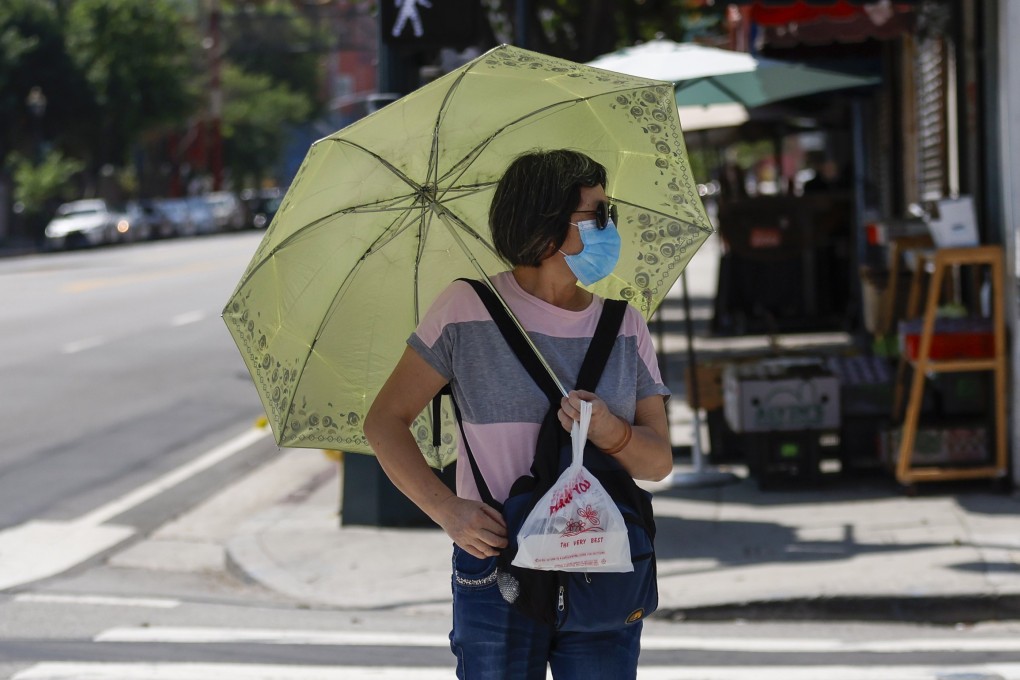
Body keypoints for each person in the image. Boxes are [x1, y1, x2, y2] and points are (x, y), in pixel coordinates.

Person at [363, 149, 673, 680]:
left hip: (603, 560)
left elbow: (658, 462)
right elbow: (384, 421)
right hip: (498, 561)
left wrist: (613, 433)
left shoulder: (626, 326)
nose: (609, 227)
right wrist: (446, 510)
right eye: (597, 215)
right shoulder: (466, 309)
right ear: (546, 225)